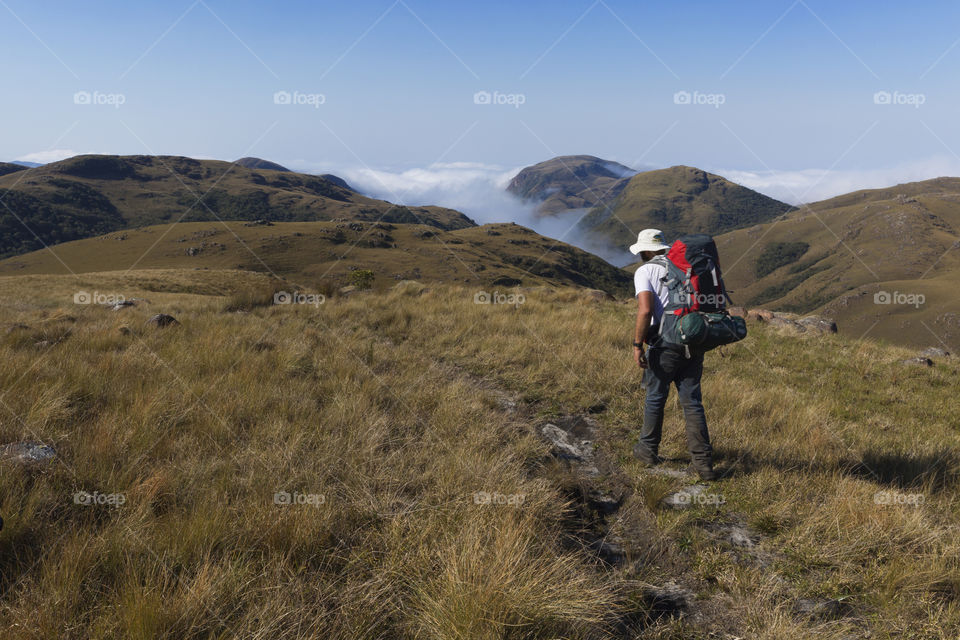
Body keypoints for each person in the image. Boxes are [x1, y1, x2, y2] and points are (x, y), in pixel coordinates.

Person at [629, 229, 716, 481]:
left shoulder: (645, 271)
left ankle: (647, 451)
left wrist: (637, 345)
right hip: (692, 338)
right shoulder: (683, 266)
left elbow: (645, 311)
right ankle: (704, 465)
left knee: (656, 397)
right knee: (692, 401)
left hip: (664, 342)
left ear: (645, 251)